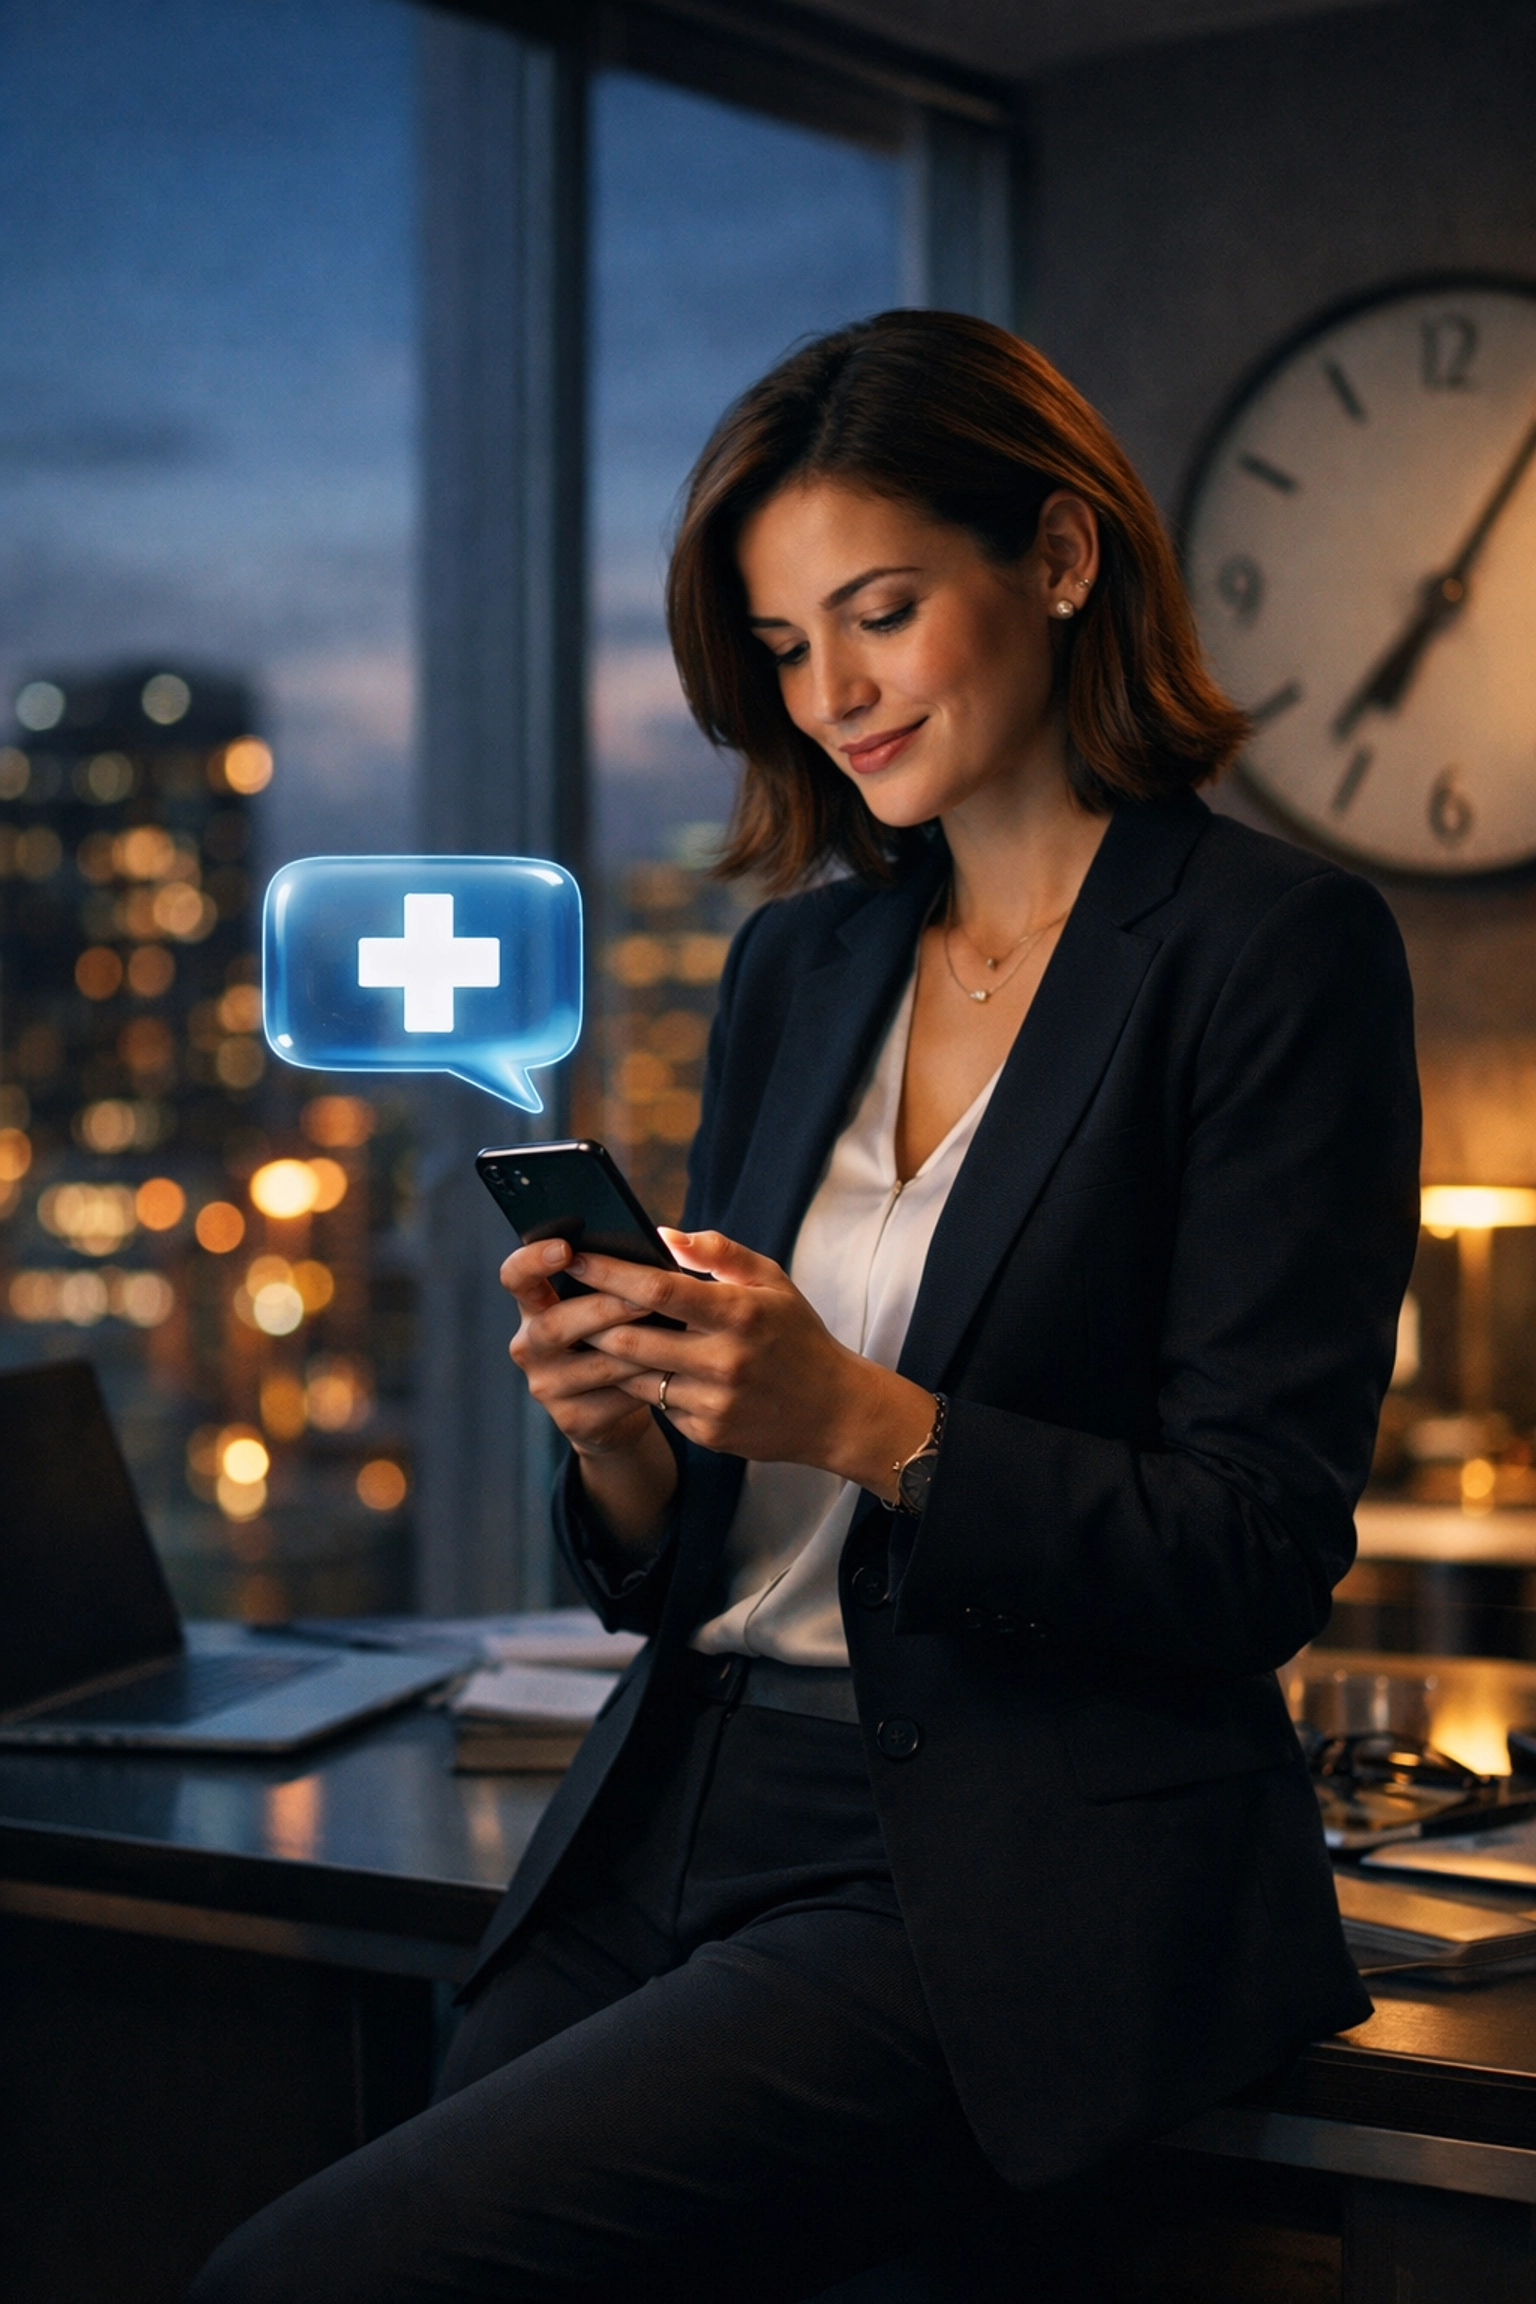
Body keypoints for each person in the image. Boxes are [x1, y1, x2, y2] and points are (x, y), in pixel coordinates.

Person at [190, 310, 1421, 2303]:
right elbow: (684, 1556)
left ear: (1060, 557)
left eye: (879, 612)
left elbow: (1251, 1553)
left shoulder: (1276, 958)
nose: (832, 692)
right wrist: (621, 1435)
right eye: (782, 648)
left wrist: (862, 1416)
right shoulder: (803, 965)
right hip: (672, 1799)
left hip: (984, 1872)